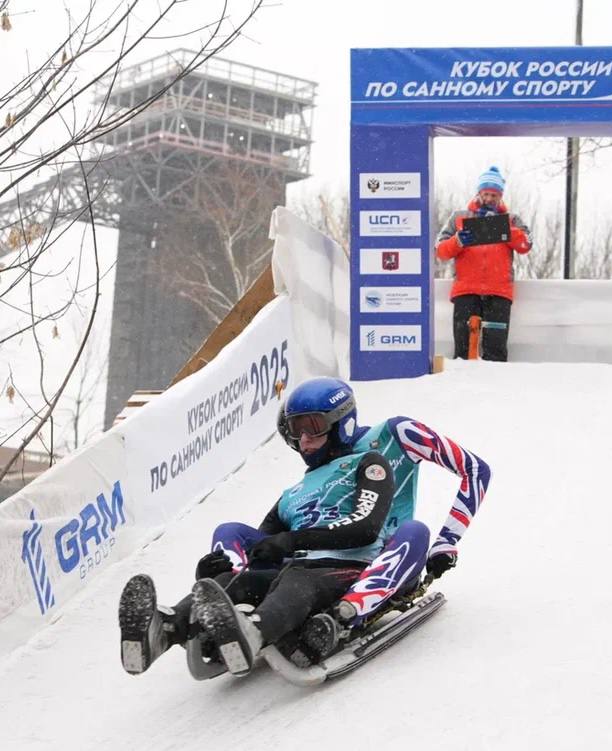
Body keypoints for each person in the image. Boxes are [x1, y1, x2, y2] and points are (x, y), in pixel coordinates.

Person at [119, 376, 491, 677]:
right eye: (296, 433)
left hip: (371, 555)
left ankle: (342, 612)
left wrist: (448, 542)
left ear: (341, 420)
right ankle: (172, 625)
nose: (305, 442)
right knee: (235, 538)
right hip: (308, 559)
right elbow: (269, 539)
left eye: (313, 428)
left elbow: (474, 470)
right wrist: (219, 568)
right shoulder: (299, 488)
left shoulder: (386, 444)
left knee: (413, 534)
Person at [435, 165, 532, 362]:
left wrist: (503, 228)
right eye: (486, 194)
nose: (489, 199)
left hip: (499, 293)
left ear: (501, 196)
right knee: (463, 350)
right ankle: (460, 386)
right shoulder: (459, 217)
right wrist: (458, 241)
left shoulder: (512, 219)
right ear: (478, 193)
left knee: (495, 350)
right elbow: (440, 250)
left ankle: (496, 388)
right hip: (466, 291)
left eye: (494, 195)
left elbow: (526, 244)